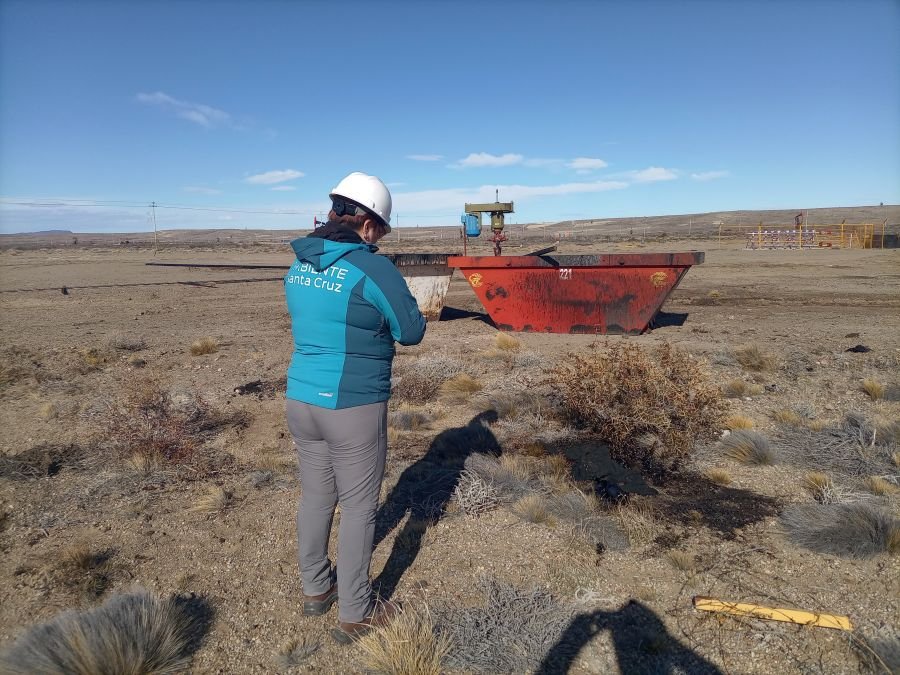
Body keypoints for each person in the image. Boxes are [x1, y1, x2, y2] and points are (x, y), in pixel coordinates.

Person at [284, 172, 427, 644]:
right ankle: (356, 611)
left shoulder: (300, 262)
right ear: (367, 223)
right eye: (381, 231)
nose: (379, 240)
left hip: (301, 400)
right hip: (353, 405)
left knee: (317, 496)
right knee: (361, 507)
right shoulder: (371, 268)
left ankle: (315, 589)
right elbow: (411, 331)